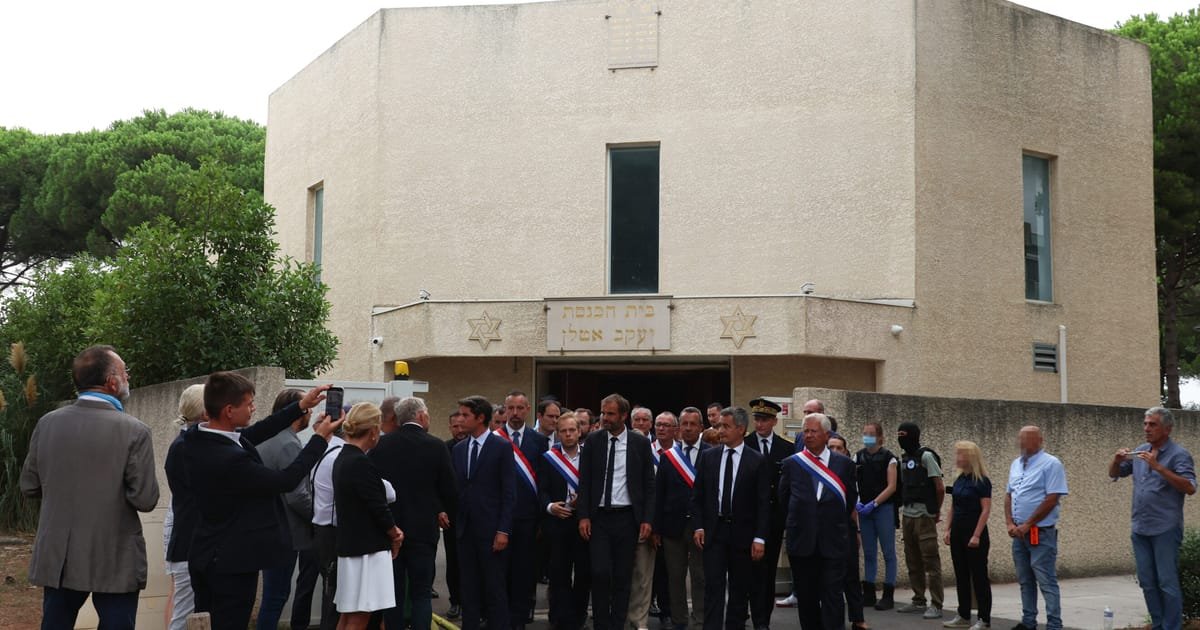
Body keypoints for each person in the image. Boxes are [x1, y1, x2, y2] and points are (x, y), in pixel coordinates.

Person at [183, 373, 339, 630]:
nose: (254, 408)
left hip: (207, 553)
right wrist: (319, 439)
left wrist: (301, 406)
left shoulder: (197, 439)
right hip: (229, 563)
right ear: (230, 410)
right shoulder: (228, 459)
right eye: (249, 404)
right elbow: (286, 481)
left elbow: (259, 431)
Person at [20, 345, 159, 630]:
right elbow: (145, 498)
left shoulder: (47, 424)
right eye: (125, 372)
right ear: (111, 381)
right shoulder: (135, 431)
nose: (128, 377)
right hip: (115, 557)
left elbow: (29, 486)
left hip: (60, 557)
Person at [369, 397, 457, 630]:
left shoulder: (380, 446)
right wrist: (439, 508)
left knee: (393, 593)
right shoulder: (436, 446)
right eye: (427, 413)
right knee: (421, 594)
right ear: (420, 416)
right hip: (424, 530)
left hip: (389, 530)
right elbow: (449, 489)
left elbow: (372, 488)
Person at [1110, 407, 1196, 630]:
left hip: (1165, 528)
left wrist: (1157, 467)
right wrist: (1117, 460)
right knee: (1147, 583)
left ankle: (1172, 627)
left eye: (1152, 424)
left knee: (1166, 583)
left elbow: (1189, 487)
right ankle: (1158, 625)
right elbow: (1115, 473)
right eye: (1145, 424)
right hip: (1140, 527)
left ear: (1167, 429)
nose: (1146, 428)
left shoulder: (1179, 455)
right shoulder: (1140, 451)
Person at [578, 393, 657, 630]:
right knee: (600, 572)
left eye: (610, 414)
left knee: (623, 576)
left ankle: (616, 623)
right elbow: (585, 482)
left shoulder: (640, 443)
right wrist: (583, 515)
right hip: (599, 518)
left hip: (627, 518)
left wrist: (647, 519)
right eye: (603, 413)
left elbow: (649, 484)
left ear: (624, 415)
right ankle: (601, 623)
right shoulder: (593, 441)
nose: (605, 418)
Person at [691, 406, 770, 630]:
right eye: (719, 426)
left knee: (739, 590)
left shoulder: (757, 461)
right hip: (714, 533)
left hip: (743, 535)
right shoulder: (709, 457)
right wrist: (698, 526)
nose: (721, 431)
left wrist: (760, 538)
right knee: (712, 588)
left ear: (741, 429)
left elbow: (763, 504)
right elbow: (697, 497)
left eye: (726, 426)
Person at [780, 413, 857, 630]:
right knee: (806, 598)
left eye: (814, 431)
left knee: (832, 596)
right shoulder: (792, 464)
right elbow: (784, 499)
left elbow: (849, 501)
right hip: (802, 543)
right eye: (806, 431)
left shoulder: (844, 465)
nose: (809, 435)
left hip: (832, 541)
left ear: (826, 435)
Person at [333, 402, 405, 629]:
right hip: (367, 549)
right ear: (373, 431)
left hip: (352, 545)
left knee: (348, 612)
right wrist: (394, 532)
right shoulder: (359, 461)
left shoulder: (343, 457)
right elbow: (377, 506)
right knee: (360, 613)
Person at [257, 388, 320, 630]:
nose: (311, 414)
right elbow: (297, 496)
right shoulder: (288, 445)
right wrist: (320, 516)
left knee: (275, 596)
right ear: (298, 411)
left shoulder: (267, 438)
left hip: (269, 529)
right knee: (276, 597)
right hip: (284, 534)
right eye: (308, 408)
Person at [452, 395, 516, 630]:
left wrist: (503, 530)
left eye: (465, 415)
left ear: (480, 418)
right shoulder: (459, 449)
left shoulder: (501, 447)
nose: (460, 419)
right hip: (465, 530)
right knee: (468, 588)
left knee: (494, 588)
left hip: (492, 531)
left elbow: (509, 492)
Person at [1004, 426, 1068, 630]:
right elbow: (1009, 494)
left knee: (1046, 580)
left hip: (1040, 533)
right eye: (1020, 438)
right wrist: (1009, 522)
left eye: (1026, 439)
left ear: (1039, 440)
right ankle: (1028, 622)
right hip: (1019, 534)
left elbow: (1052, 498)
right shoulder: (1016, 464)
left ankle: (1054, 625)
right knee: (1025, 580)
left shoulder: (1051, 464)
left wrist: (1028, 524)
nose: (1021, 443)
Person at [500, 389, 550, 629]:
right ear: (505, 409)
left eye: (520, 408)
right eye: (511, 408)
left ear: (528, 410)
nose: (515, 413)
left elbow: (542, 482)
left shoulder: (538, 441)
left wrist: (541, 519)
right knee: (502, 571)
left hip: (528, 518)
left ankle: (519, 619)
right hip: (502, 518)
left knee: (524, 571)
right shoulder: (496, 439)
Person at [656, 406, 709, 630]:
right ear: (679, 428)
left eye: (692, 424)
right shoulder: (669, 457)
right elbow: (660, 493)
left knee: (700, 577)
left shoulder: (711, 453)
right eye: (684, 424)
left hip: (700, 527)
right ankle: (679, 621)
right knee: (675, 578)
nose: (688, 428)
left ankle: (700, 621)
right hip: (672, 527)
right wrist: (657, 529)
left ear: (701, 427)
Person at [744, 398, 794, 630]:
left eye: (764, 419)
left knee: (767, 572)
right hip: (747, 519)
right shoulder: (745, 444)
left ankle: (763, 619)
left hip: (773, 520)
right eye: (757, 419)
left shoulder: (787, 448)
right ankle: (747, 614)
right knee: (748, 572)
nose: (760, 424)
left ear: (774, 421)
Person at [540, 413, 591, 630]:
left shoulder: (590, 456)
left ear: (579, 432)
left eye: (572, 430)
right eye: (563, 431)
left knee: (583, 573)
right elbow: (540, 490)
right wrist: (550, 507)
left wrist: (586, 501)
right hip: (558, 522)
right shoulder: (548, 458)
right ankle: (560, 618)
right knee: (559, 573)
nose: (568, 435)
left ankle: (579, 618)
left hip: (583, 522)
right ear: (558, 433)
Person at [777, 398, 828, 609]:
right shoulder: (799, 440)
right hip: (802, 519)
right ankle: (797, 592)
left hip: (826, 525)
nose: (806, 415)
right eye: (804, 412)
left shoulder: (834, 447)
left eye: (811, 411)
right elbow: (786, 490)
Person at [164, 383, 205, 630]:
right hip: (188, 543)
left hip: (189, 541)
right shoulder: (187, 447)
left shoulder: (187, 443)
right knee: (184, 612)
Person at [895, 421, 945, 620]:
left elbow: (939, 487)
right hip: (908, 514)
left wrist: (936, 511)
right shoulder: (905, 458)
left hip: (925, 515)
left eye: (904, 434)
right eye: (899, 434)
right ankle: (918, 599)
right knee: (912, 559)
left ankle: (937, 604)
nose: (901, 438)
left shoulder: (926, 456)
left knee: (930, 562)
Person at [942, 441, 992, 630]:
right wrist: (947, 529)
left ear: (971, 457)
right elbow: (953, 507)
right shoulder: (959, 480)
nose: (957, 458)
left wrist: (977, 535)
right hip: (958, 533)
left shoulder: (982, 481)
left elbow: (985, 510)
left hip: (974, 533)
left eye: (960, 454)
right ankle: (963, 615)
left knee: (979, 576)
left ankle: (984, 618)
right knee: (961, 575)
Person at [854, 421, 899, 611]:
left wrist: (875, 503)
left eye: (871, 433)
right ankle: (869, 592)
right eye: (865, 433)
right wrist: (857, 502)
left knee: (888, 552)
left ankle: (888, 594)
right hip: (864, 509)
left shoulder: (890, 458)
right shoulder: (858, 456)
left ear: (880, 437)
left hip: (883, 509)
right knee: (869, 552)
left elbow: (892, 486)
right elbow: (853, 481)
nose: (867, 437)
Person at [312, 412, 348, 630]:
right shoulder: (339, 456)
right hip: (334, 530)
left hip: (320, 527)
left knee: (330, 590)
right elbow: (387, 492)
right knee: (335, 593)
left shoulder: (323, 451)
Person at [828, 434, 867, 630]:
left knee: (851, 575)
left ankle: (857, 618)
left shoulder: (849, 471)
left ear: (846, 451)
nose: (835, 451)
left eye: (839, 448)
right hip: (825, 529)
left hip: (846, 528)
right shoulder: (819, 470)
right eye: (831, 447)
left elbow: (854, 504)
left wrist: (857, 531)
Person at [628, 406, 660, 630]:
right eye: (636, 419)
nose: (640, 423)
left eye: (644, 419)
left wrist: (652, 523)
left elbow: (655, 492)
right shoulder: (618, 449)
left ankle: (639, 621)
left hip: (646, 523)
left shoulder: (660, 452)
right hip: (620, 521)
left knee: (643, 576)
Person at [443, 410, 467, 620]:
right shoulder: (444, 449)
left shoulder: (476, 448)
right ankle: (456, 601)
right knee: (454, 561)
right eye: (455, 426)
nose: (460, 430)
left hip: (475, 516)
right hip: (451, 516)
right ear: (450, 427)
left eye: (463, 425)